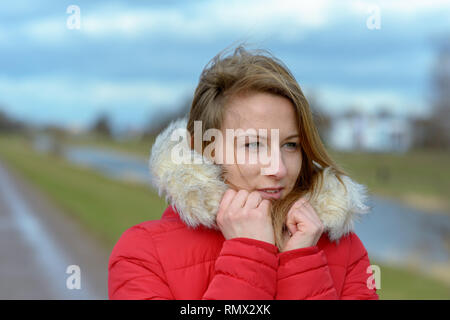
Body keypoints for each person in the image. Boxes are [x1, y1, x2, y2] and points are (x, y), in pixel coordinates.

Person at [108, 45, 379, 300]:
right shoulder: (142, 255)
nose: (279, 169)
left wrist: (303, 264)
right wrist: (248, 256)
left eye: (291, 145)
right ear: (202, 149)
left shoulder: (345, 251)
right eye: (253, 145)